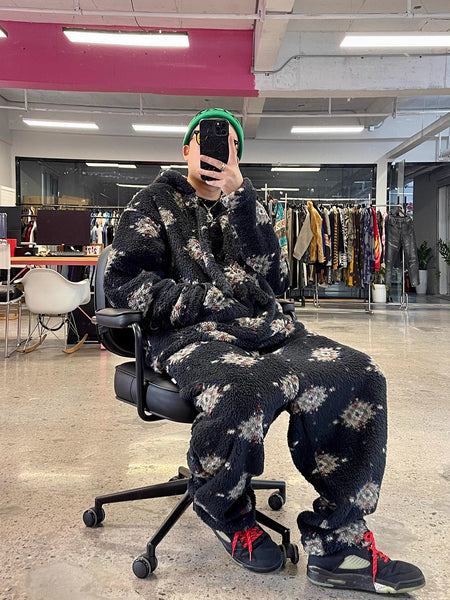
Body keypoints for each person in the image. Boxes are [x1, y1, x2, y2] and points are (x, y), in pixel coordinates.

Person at [104, 108, 425, 594]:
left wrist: (242, 200)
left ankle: (339, 544)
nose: (218, 149)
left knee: (359, 372)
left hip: (264, 329)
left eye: (231, 144)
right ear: (186, 148)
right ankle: (224, 509)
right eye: (207, 138)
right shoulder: (151, 203)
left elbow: (274, 278)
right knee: (244, 388)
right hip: (190, 334)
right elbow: (124, 283)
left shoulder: (246, 205)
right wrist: (203, 300)